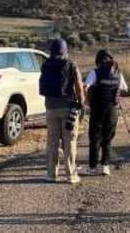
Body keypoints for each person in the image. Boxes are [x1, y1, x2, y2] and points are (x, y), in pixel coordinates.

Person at [39, 38, 85, 183]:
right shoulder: (71, 64)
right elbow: (79, 86)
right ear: (65, 50)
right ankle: (71, 175)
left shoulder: (46, 65)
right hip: (68, 109)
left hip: (50, 108)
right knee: (69, 141)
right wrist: (81, 105)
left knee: (52, 142)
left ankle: (51, 174)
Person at [84, 49, 128, 176]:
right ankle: (105, 166)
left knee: (95, 138)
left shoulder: (95, 72)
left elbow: (85, 86)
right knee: (107, 139)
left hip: (97, 109)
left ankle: (92, 167)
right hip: (112, 110)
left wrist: (87, 101)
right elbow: (125, 88)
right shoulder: (118, 73)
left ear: (98, 60)